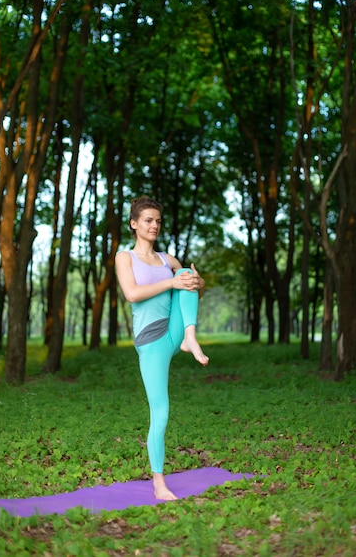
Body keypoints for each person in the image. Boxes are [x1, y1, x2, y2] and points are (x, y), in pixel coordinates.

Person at [115, 195, 209, 501]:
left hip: (176, 330)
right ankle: (158, 483)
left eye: (157, 221)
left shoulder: (169, 261)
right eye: (147, 221)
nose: (154, 225)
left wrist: (197, 283)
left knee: (184, 273)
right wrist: (172, 284)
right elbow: (131, 294)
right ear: (134, 224)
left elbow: (187, 295)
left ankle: (190, 339)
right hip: (151, 341)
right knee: (161, 411)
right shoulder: (124, 257)